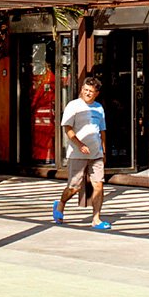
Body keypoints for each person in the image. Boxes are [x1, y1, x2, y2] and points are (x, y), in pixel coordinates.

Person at [52, 77, 111, 230]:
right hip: (77, 153)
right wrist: (80, 144)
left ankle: (96, 219)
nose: (87, 93)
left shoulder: (99, 108)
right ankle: (61, 204)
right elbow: (67, 129)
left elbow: (102, 131)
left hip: (96, 154)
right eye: (85, 90)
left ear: (96, 93)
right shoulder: (73, 106)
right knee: (74, 187)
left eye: (91, 91)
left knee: (98, 185)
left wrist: (104, 152)